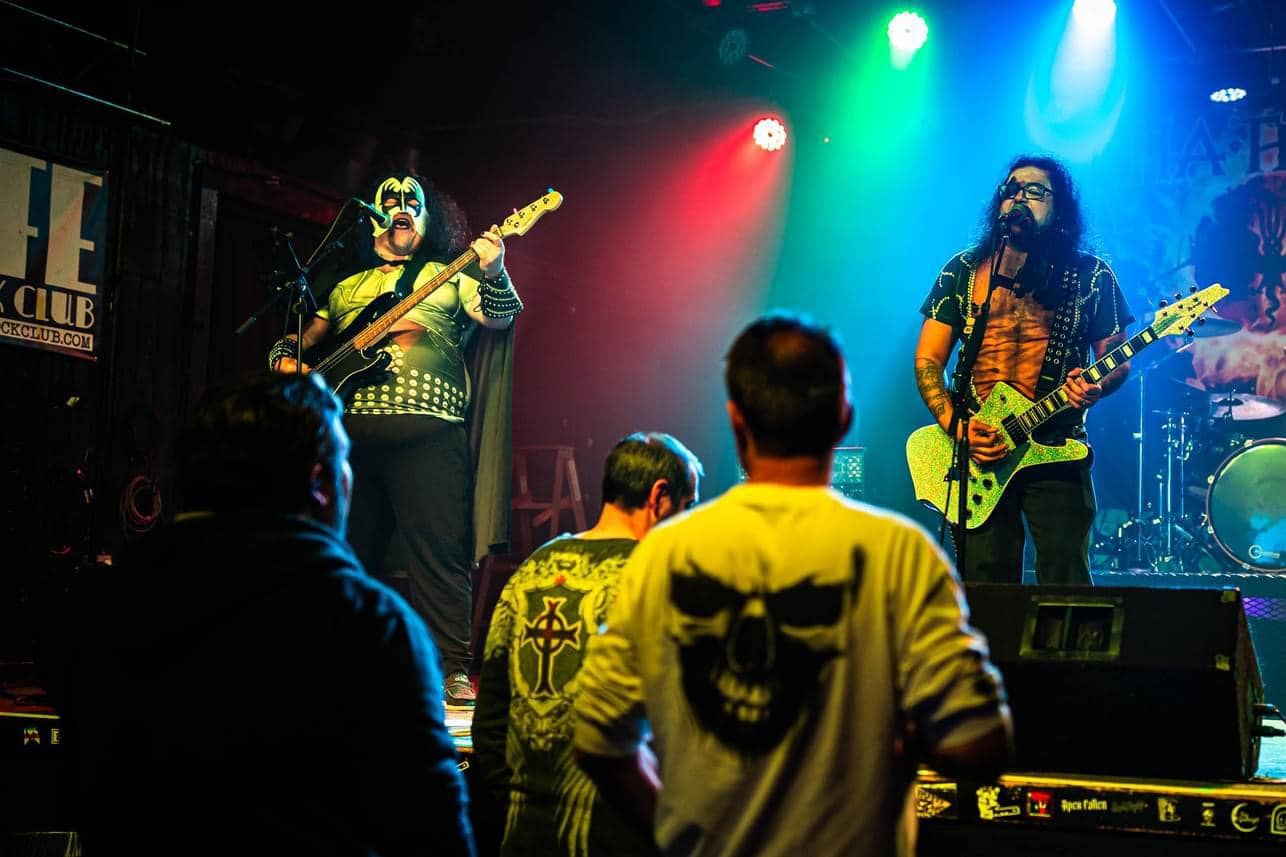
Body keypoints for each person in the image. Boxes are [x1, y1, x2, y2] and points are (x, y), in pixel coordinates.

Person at [573, 313, 1011, 857]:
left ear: (736, 421)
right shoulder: (901, 554)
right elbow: (980, 746)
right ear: (844, 418)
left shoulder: (663, 554)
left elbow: (596, 740)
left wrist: (675, 832)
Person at [40, 372, 474, 856]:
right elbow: (436, 833)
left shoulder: (102, 607)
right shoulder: (376, 627)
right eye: (344, 463)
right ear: (321, 484)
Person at [271, 173, 523, 704]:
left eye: (414, 200)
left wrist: (494, 269)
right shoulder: (344, 287)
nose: (402, 204)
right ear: (373, 218)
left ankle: (453, 668)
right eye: (391, 199)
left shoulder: (448, 275)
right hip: (350, 439)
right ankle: (342, 660)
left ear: (429, 221)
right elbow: (294, 342)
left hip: (429, 431)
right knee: (347, 552)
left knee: (440, 552)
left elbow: (498, 318)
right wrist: (285, 361)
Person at [473, 432, 702, 857]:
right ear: (659, 497)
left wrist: (517, 810)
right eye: (687, 507)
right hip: (626, 836)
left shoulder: (532, 569)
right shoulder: (662, 577)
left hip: (524, 835)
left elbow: (488, 722)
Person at [914, 154, 1134, 584]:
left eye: (1035, 192)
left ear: (1059, 208)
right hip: (980, 453)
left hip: (1056, 445)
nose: (1019, 198)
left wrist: (1095, 387)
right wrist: (957, 426)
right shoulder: (962, 271)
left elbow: (1116, 358)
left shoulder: (1090, 276)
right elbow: (928, 360)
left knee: (1065, 579)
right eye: (1012, 190)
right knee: (985, 586)